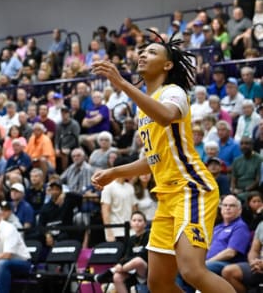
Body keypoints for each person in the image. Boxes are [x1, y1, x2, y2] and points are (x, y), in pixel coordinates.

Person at [91, 32, 234, 293]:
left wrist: (121, 83)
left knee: (192, 271)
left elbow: (167, 116)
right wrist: (114, 172)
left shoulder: (173, 92)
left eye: (152, 52)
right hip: (166, 197)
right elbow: (152, 159)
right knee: (158, 283)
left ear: (167, 65)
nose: (143, 54)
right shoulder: (143, 106)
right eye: (142, 51)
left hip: (192, 188)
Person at [94, 211, 150, 293]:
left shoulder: (149, 235)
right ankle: (115, 271)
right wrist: (120, 264)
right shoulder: (131, 239)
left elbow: (144, 255)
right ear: (131, 223)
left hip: (145, 270)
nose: (137, 223)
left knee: (138, 260)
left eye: (140, 220)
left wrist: (122, 266)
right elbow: (127, 255)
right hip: (132, 270)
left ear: (145, 224)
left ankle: (111, 272)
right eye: (134, 220)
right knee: (117, 277)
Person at [222, 217, 263, 292]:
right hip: (259, 266)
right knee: (228, 271)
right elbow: (254, 250)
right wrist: (253, 263)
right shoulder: (261, 225)